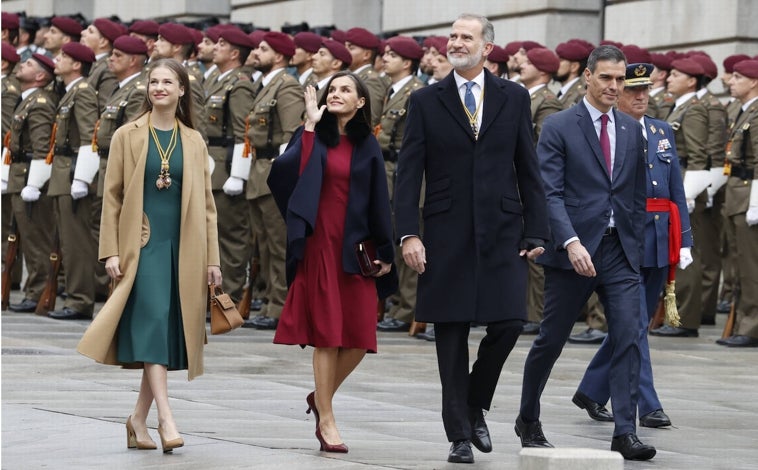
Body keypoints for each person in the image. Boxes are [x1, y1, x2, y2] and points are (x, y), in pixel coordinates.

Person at [394, 14, 549, 464]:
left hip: (504, 228)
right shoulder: (426, 100)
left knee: (508, 323)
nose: (456, 42)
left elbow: (528, 168)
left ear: (487, 48)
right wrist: (409, 233)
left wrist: (537, 229)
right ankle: (459, 435)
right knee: (451, 330)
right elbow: (408, 175)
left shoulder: (514, 97)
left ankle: (474, 401)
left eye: (466, 36)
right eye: (453, 35)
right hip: (445, 229)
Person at [516, 45, 656, 461]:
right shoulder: (560, 125)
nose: (615, 86)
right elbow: (550, 193)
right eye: (608, 78)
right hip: (572, 250)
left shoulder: (632, 129)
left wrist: (635, 246)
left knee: (629, 335)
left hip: (618, 252)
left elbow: (634, 195)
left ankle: (625, 432)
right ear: (588, 78)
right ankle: (528, 418)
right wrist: (570, 241)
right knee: (551, 340)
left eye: (620, 79)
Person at [77, 58, 222, 453]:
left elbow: (208, 206)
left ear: (181, 91)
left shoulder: (193, 139)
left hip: (185, 247)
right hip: (142, 246)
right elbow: (112, 196)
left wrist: (213, 260)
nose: (158, 87)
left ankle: (137, 420)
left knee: (163, 332)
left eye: (166, 82)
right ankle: (166, 417)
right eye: (153, 81)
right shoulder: (128, 134)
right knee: (156, 322)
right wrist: (110, 250)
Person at [268, 72, 397, 453]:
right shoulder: (313, 135)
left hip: (355, 248)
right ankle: (326, 418)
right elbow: (288, 175)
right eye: (333, 89)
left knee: (359, 336)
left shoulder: (367, 144)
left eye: (346, 90)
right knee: (327, 334)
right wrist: (309, 125)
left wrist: (386, 251)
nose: (336, 94)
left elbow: (378, 199)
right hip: (319, 245)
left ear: (360, 103)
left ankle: (320, 396)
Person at [574, 63, 693, 430]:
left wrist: (685, 238)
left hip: (660, 238)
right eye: (632, 90)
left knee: (632, 324)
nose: (640, 97)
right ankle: (648, 402)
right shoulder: (608, 132)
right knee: (637, 323)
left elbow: (675, 187)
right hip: (624, 239)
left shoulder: (660, 130)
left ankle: (592, 390)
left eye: (644, 90)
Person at [243, 31, 305, 330]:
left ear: (279, 56)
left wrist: (284, 177)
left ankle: (280, 305)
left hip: (274, 171)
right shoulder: (265, 85)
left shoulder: (287, 86)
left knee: (279, 244)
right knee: (264, 244)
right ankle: (269, 301)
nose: (256, 52)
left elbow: (291, 135)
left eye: (263, 49)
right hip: (258, 171)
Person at [45, 42, 104, 320]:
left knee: (77, 241)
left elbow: (89, 139)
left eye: (63, 57)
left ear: (77, 65)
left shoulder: (82, 93)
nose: (57, 60)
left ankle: (80, 300)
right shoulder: (70, 93)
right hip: (63, 174)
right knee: (68, 241)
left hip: (73, 176)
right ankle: (75, 295)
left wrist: (82, 178)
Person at [5, 53, 58, 313]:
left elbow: (41, 147)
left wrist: (34, 184)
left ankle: (38, 293)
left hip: (29, 177)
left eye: (28, 64)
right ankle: (32, 291)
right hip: (18, 174)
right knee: (24, 237)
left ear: (40, 76)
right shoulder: (27, 100)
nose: (21, 65)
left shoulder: (39, 103)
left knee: (36, 239)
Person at [719, 59, 758, 347]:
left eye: (737, 77)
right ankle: (742, 322)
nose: (730, 82)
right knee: (738, 265)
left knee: (749, 266)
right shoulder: (744, 113)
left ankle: (751, 326)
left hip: (748, 196)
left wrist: (755, 203)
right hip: (736, 196)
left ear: (753, 82)